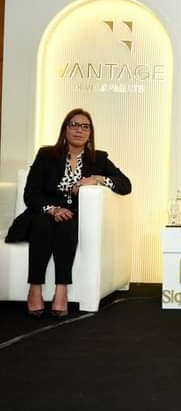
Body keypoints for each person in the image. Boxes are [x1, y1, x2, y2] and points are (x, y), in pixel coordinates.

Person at [21, 108, 131, 318]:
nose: (79, 130)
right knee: (42, 224)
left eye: (85, 126)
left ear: (90, 133)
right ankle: (35, 288)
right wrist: (53, 209)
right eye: (74, 125)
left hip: (75, 216)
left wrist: (97, 179)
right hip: (45, 212)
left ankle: (61, 290)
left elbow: (126, 185)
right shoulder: (46, 155)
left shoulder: (98, 159)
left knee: (68, 225)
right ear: (65, 129)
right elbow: (31, 194)